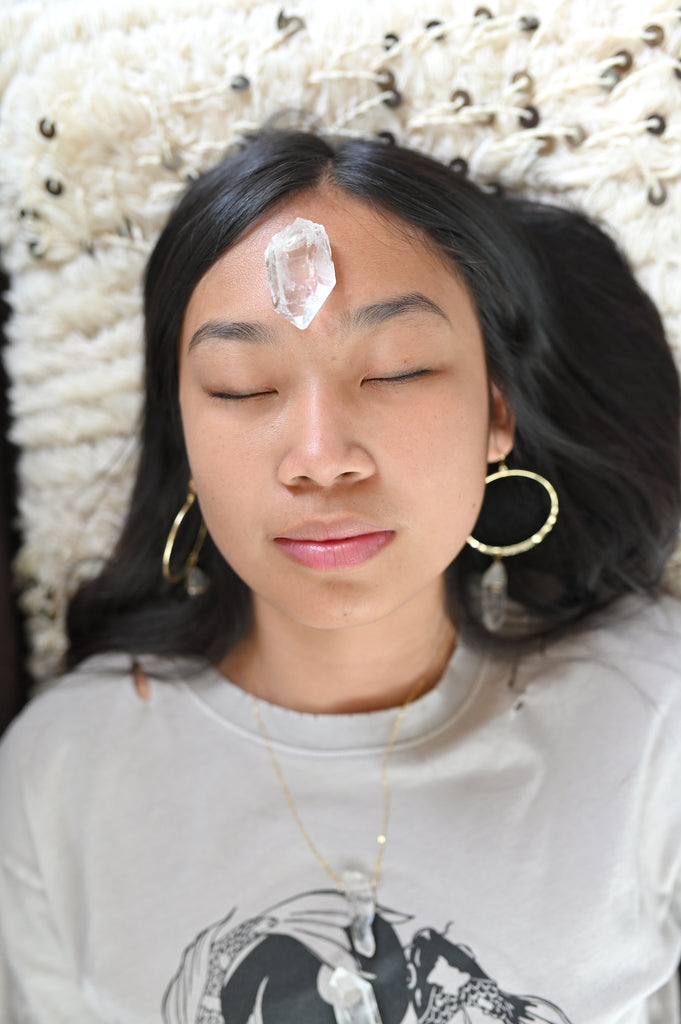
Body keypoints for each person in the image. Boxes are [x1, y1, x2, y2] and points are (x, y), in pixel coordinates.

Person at [1, 127, 680, 1024]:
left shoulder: (651, 723)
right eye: (244, 386)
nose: (321, 459)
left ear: (496, 410)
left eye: (397, 370)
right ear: (185, 435)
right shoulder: (64, 776)